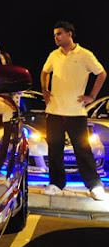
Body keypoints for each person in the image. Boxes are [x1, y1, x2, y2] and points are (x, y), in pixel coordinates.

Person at [40, 21, 107, 200]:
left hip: (76, 112)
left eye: (59, 34)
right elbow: (44, 72)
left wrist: (92, 96)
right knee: (54, 148)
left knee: (83, 149)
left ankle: (94, 185)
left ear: (69, 34)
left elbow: (101, 73)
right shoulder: (54, 55)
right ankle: (56, 183)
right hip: (54, 110)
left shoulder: (84, 54)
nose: (56, 38)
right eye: (54, 35)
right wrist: (45, 90)